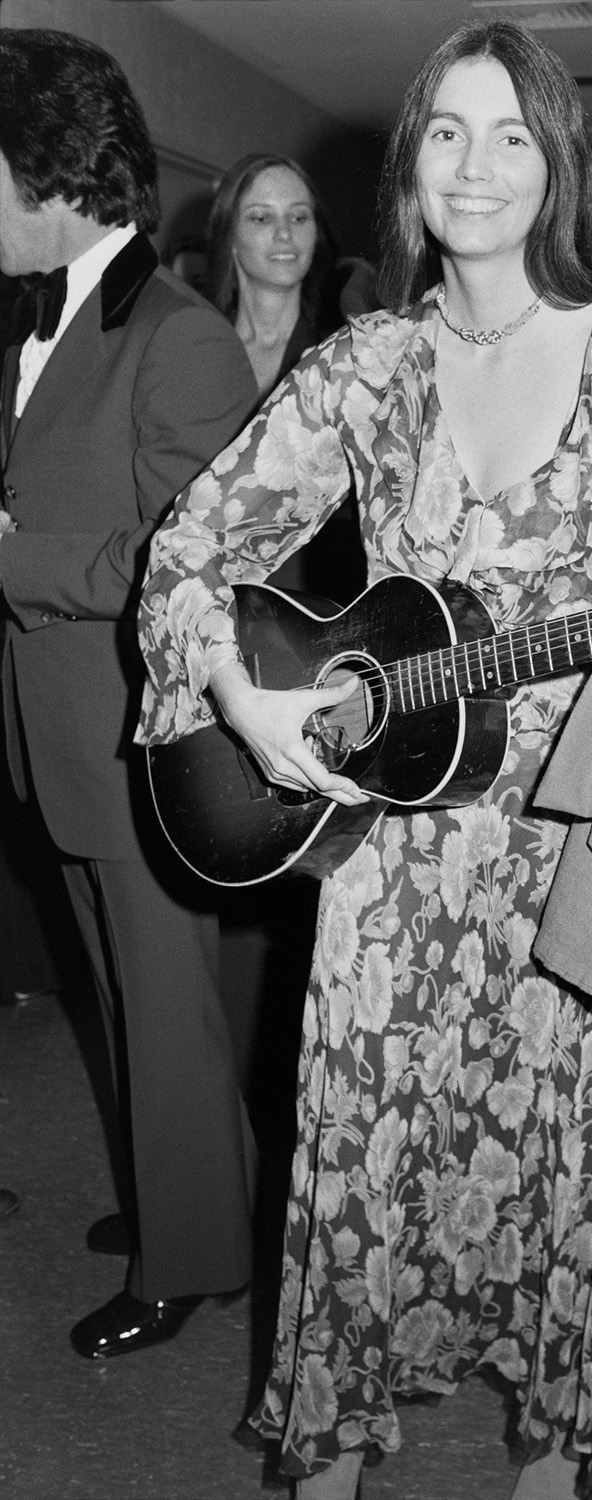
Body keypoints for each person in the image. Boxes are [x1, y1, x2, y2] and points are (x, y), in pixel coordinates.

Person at [137, 20, 592, 1499]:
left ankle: (570, 1455)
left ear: (556, 162)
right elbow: (189, 549)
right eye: (446, 131)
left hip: (561, 861)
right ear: (410, 171)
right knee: (361, 1178)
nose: (477, 163)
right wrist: (237, 695)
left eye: (512, 132)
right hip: (384, 873)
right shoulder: (366, 364)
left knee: (567, 1191)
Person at [0, 28, 260, 1357]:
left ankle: (191, 1259)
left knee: (162, 1002)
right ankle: (191, 1203)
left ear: (48, 175)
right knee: (127, 993)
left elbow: (186, 560)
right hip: (60, 729)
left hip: (138, 736)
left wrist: (13, 562)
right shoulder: (40, 316)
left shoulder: (183, 337)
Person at [206, 150, 371, 599]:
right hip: (214, 596)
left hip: (323, 599)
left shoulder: (347, 355)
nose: (284, 233)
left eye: (300, 218)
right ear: (230, 236)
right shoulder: (194, 353)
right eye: (261, 218)